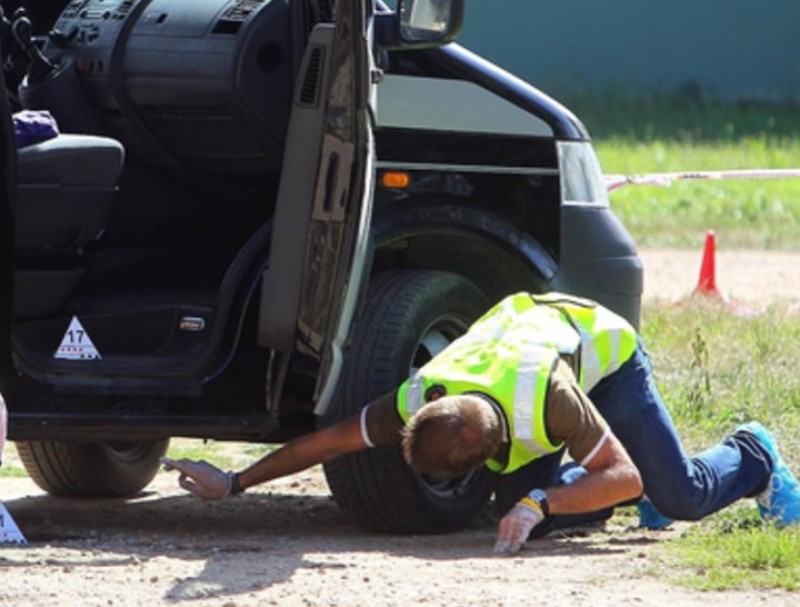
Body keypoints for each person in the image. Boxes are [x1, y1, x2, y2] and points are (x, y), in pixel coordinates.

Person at [163, 292, 800, 554]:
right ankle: (591, 486)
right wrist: (236, 482)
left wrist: (544, 497)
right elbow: (330, 439)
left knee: (673, 492)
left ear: (486, 452)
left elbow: (623, 474)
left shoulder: (546, 400)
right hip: (533, 337)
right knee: (523, 514)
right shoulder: (424, 397)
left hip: (604, 352)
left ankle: (754, 456)